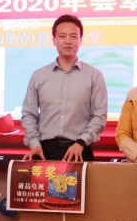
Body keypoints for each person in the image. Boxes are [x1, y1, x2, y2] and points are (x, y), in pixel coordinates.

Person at [21, 15, 108, 162]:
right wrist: (34, 144)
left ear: (81, 40)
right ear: (54, 40)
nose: (68, 41)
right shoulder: (39, 76)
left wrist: (81, 142)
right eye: (62, 36)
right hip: (44, 152)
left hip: (80, 151)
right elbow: (29, 113)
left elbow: (99, 115)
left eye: (73, 36)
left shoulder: (94, 75)